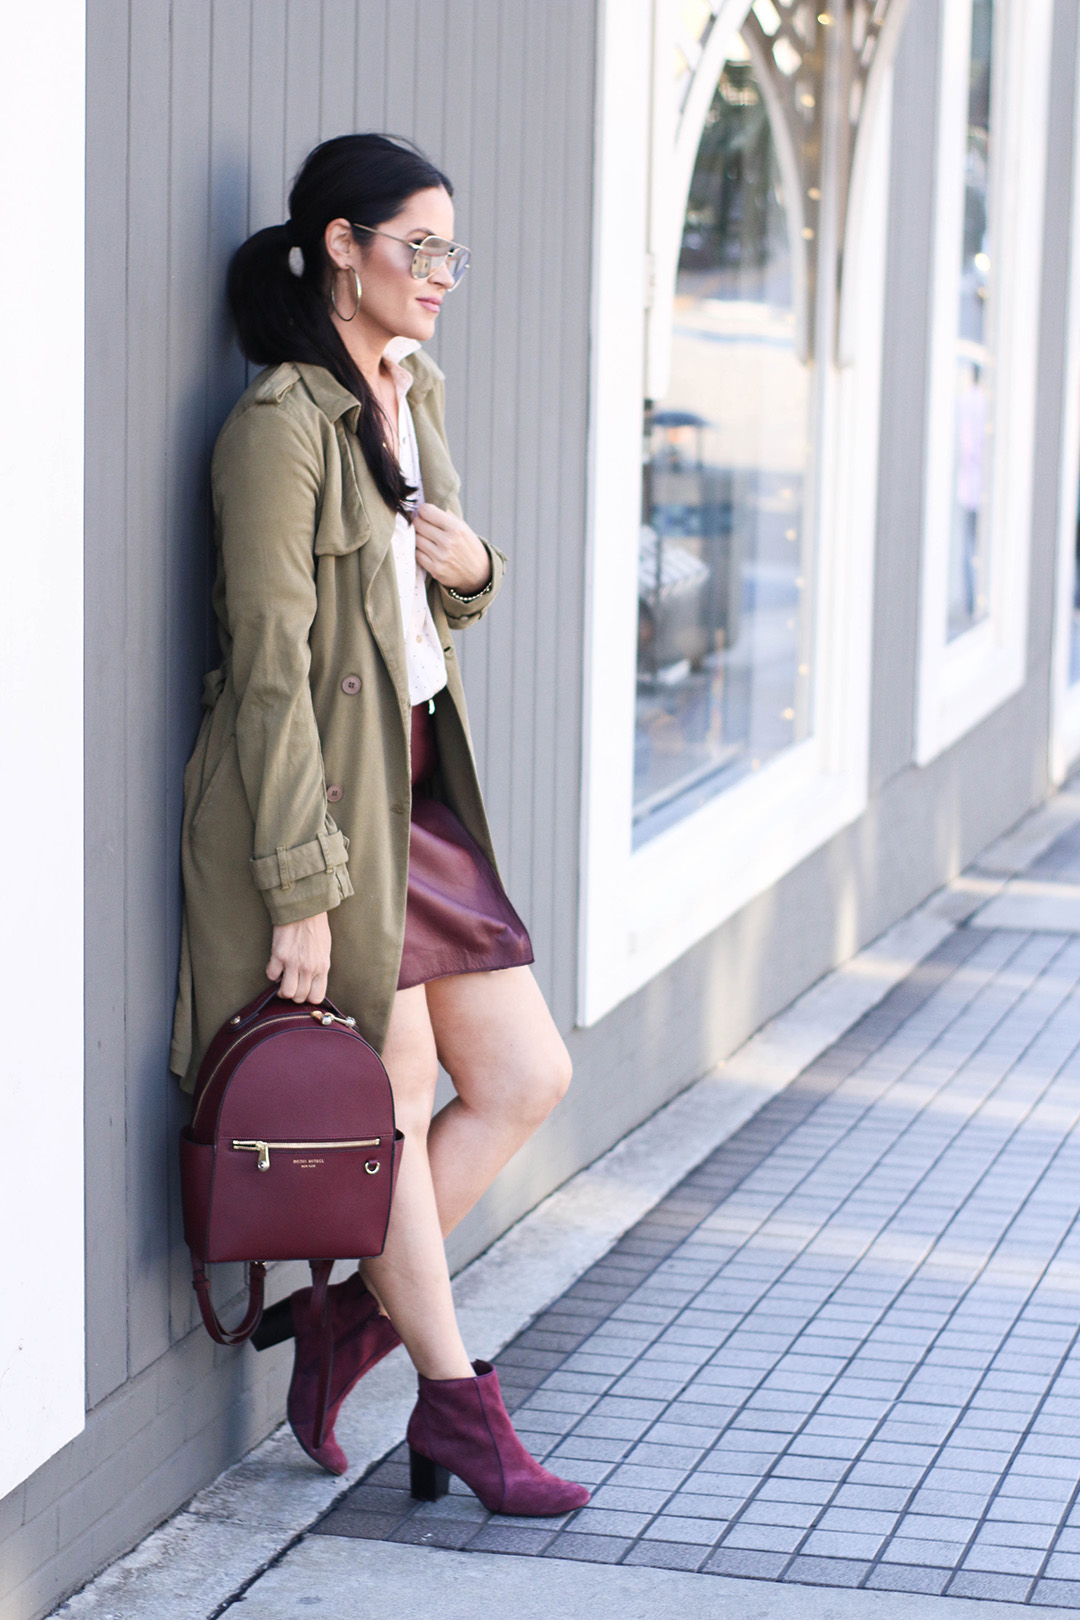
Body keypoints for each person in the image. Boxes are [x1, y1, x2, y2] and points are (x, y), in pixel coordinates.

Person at [169, 133, 588, 1518]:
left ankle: (349, 1326)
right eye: (418, 249)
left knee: (526, 1076)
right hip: (334, 811)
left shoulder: (415, 393)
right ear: (340, 246)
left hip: (421, 789)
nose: (440, 277)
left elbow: (429, 587)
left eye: (451, 254)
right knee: (398, 1104)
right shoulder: (277, 432)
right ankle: (463, 1413)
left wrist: (478, 570)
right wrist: (300, 883)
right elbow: (271, 674)